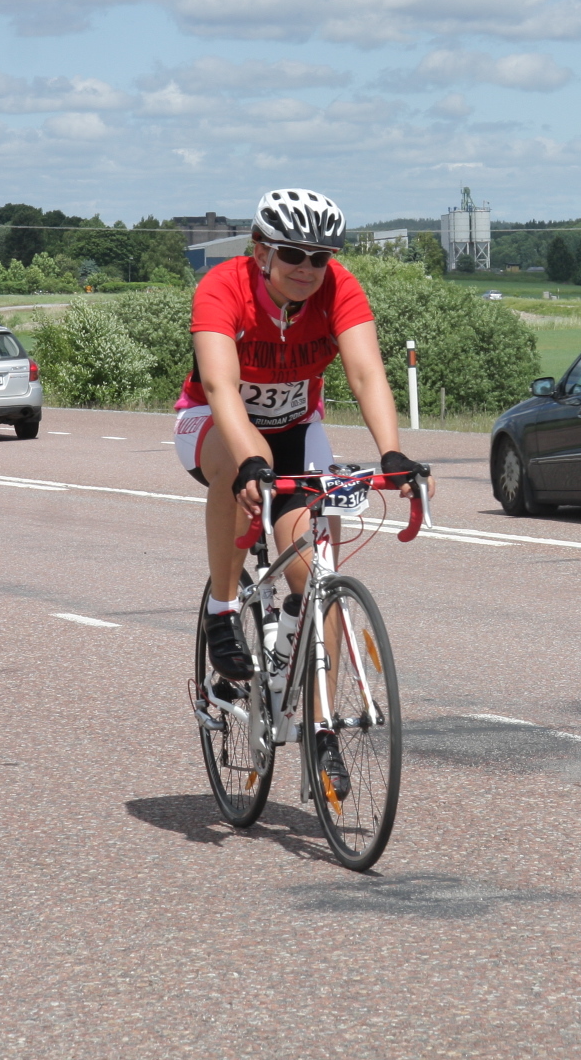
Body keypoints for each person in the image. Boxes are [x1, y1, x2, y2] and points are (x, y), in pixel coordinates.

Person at [174, 189, 427, 793]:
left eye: (320, 257)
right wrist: (249, 461)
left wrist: (392, 453)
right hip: (213, 423)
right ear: (261, 251)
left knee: (319, 578)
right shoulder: (223, 287)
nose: (307, 269)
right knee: (241, 469)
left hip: (297, 428)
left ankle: (321, 728)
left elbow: (365, 372)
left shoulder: (339, 288)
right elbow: (221, 385)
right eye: (292, 254)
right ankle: (223, 610)